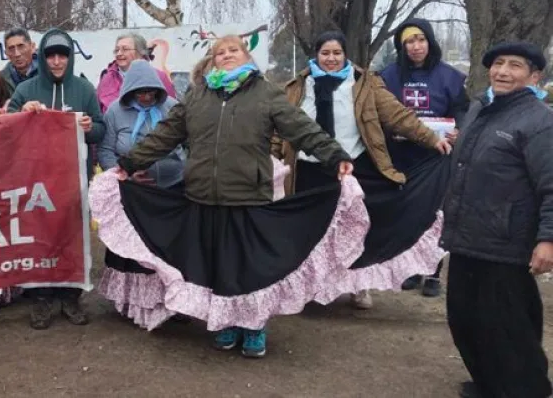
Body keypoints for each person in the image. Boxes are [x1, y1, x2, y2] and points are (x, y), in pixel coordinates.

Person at [103, 34, 361, 358]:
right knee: (217, 266)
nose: (226, 55)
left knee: (250, 267)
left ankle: (253, 327)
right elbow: (165, 136)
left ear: (245, 56)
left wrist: (334, 155)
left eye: (233, 50)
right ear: (212, 60)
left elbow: (301, 128)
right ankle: (225, 321)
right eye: (219, 52)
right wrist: (128, 164)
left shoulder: (266, 93)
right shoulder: (197, 97)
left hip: (248, 195)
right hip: (202, 196)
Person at [276, 31, 451, 311]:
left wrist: (431, 139)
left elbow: (397, 116)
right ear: (316, 55)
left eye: (336, 53)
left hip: (352, 170)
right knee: (313, 234)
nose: (331, 59)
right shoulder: (297, 87)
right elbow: (280, 127)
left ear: (345, 55)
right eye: (325, 53)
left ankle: (358, 285)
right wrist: (274, 156)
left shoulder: (364, 84)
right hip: (309, 171)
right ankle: (312, 288)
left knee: (357, 230)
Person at [442, 42, 553, 398]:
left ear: (534, 76)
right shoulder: (481, 108)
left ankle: (529, 390)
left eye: (515, 66)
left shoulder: (538, 121)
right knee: (465, 320)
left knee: (509, 328)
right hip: (467, 237)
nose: (503, 71)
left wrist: (548, 238)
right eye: (498, 64)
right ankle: (489, 385)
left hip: (506, 242)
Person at [8, 28, 106, 329]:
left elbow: (101, 130)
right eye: (50, 56)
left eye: (62, 55)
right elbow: (7, 126)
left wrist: (90, 127)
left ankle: (70, 296)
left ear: (70, 57)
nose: (56, 62)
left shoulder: (84, 89)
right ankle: (42, 298)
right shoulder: (26, 89)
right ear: (43, 57)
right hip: (35, 178)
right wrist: (22, 112)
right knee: (39, 237)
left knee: (72, 236)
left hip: (73, 177)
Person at [380, 19, 469, 297]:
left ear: (429, 42)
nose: (416, 46)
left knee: (436, 215)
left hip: (437, 157)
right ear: (402, 46)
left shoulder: (450, 77)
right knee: (407, 212)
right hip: (402, 156)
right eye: (409, 41)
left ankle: (433, 272)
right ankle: (409, 267)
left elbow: (463, 110)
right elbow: (379, 114)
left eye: (421, 39)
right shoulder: (387, 76)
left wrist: (459, 130)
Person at [96, 60, 184, 325]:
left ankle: (174, 301)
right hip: (131, 193)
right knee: (133, 251)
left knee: (167, 249)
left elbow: (190, 146)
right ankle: (132, 302)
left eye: (150, 90)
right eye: (139, 90)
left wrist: (184, 172)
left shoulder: (173, 108)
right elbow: (105, 150)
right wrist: (124, 174)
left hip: (170, 190)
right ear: (130, 90)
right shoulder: (114, 111)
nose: (145, 96)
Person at [96, 33, 177, 112]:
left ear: (140, 53)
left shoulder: (159, 77)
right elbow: (98, 113)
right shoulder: (107, 78)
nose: (119, 53)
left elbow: (171, 111)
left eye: (125, 49)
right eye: (117, 50)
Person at [1, 28, 39, 92]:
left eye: (21, 46)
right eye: (11, 49)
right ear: (6, 54)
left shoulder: (49, 72)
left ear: (32, 47)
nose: (17, 54)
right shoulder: (2, 80)